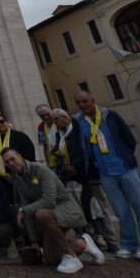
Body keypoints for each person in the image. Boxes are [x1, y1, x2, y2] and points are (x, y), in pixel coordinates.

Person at [73, 91, 140, 261]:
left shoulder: (110, 115)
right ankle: (128, 245)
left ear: (93, 100)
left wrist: (126, 156)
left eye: (85, 101)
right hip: (105, 173)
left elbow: (129, 139)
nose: (82, 105)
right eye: (79, 103)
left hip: (126, 169)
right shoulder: (79, 122)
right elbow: (83, 147)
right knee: (121, 211)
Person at [2, 147, 104, 274]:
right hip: (51, 216)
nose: (10, 163)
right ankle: (83, 242)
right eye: (6, 162)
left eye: (12, 159)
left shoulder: (40, 170)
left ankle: (72, 257)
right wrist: (34, 241)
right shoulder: (16, 178)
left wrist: (23, 210)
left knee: (40, 213)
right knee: (52, 259)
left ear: (20, 157)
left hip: (67, 211)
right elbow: (26, 206)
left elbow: (49, 201)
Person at [49, 108, 118, 252]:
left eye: (56, 119)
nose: (54, 122)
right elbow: (56, 154)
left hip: (89, 175)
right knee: (78, 208)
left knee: (99, 207)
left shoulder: (79, 130)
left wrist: (76, 166)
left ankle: (110, 239)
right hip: (71, 177)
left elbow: (87, 150)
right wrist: (65, 167)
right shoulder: (57, 135)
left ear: (66, 118)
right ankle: (89, 238)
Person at [0, 114, 35, 195]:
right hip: (3, 177)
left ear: (7, 122)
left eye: (1, 121)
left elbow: (29, 154)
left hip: (23, 174)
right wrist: (4, 175)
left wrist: (22, 171)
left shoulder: (20, 136)